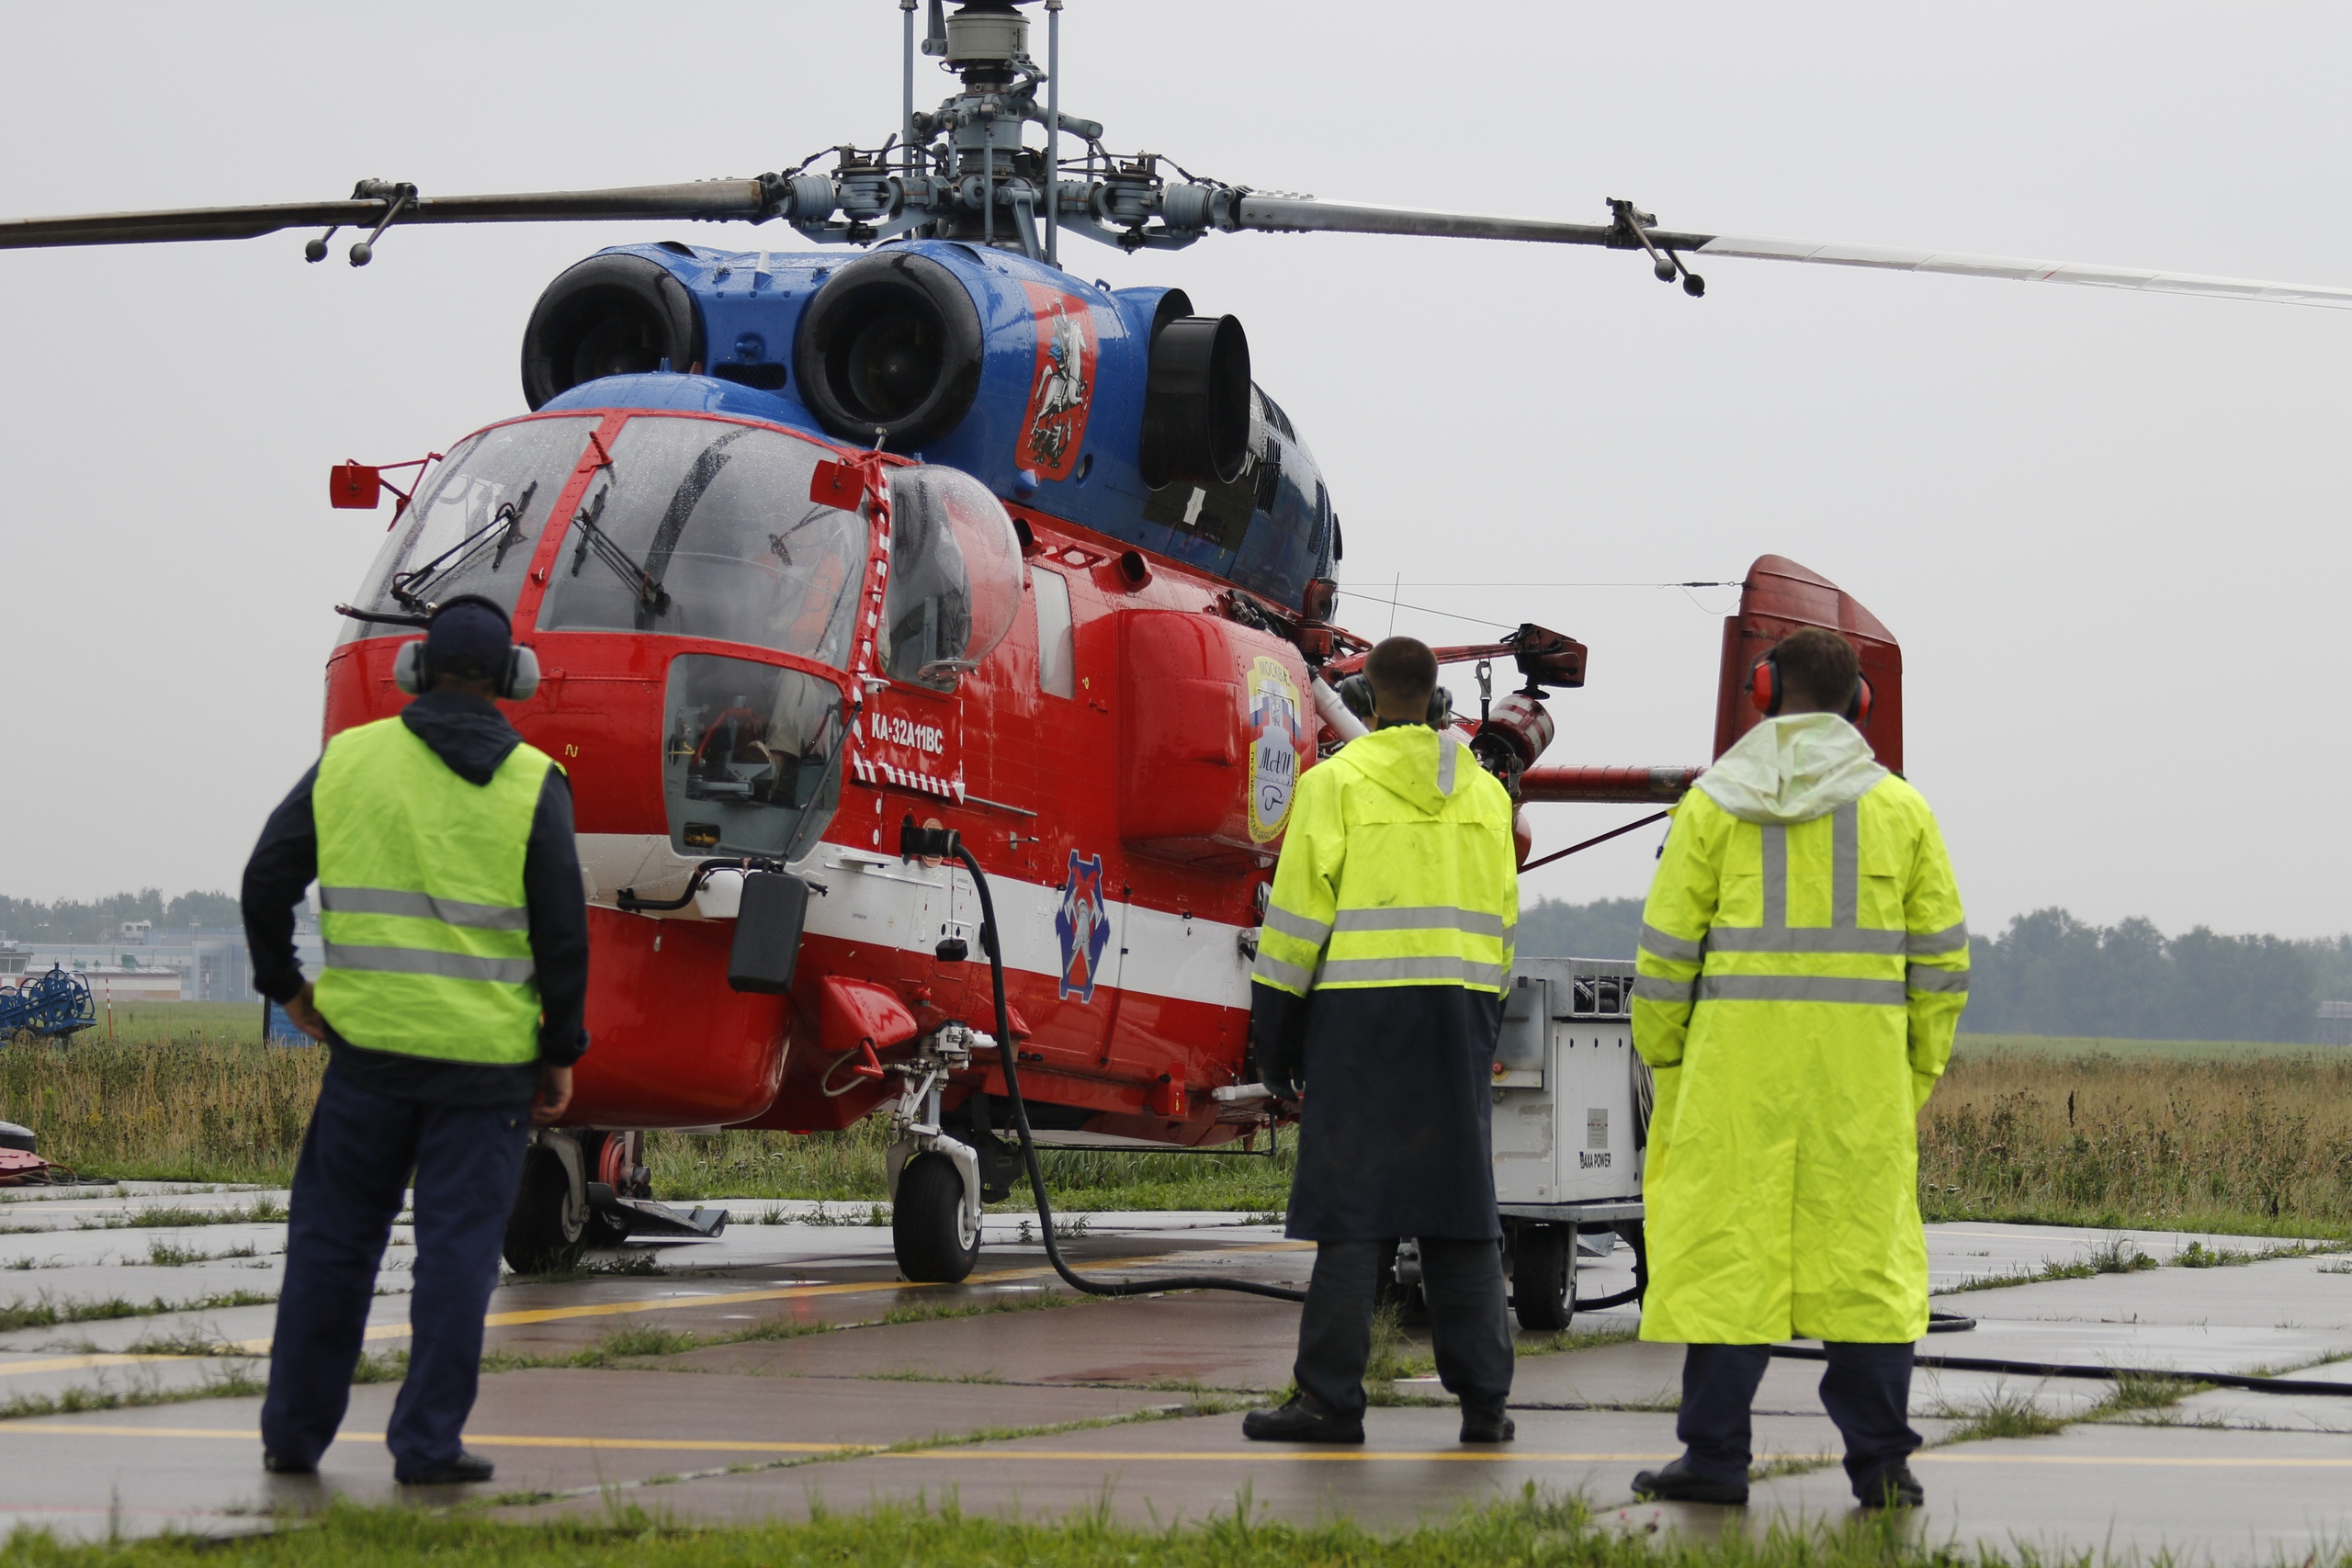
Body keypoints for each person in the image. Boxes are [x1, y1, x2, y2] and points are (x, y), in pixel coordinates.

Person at [241, 596, 590, 1486]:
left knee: (331, 1247)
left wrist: (287, 986)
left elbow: (265, 881)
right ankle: (427, 1446)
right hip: (485, 1078)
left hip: (368, 1065)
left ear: (413, 670)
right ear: (512, 679)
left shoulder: (348, 761)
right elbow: (562, 937)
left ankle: (294, 1436)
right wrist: (560, 1050)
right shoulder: (532, 783)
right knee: (457, 1260)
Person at [1628, 626, 1968, 1509]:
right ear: (1860, 703)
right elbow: (1940, 964)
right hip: (1859, 1085)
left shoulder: (1710, 806)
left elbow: (1665, 956)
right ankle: (1883, 1465)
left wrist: (1668, 1054)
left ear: (1766, 691)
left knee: (1726, 1259)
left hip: (1734, 1080)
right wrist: (1913, 1071)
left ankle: (1714, 1459)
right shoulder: (1902, 812)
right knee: (1867, 1268)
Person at [1242, 636, 1520, 1446]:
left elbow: (1293, 928)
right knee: (1462, 1213)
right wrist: (1479, 1028)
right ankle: (1485, 1407)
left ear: (1364, 699)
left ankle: (1330, 1399)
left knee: (1351, 1212)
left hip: (1360, 1020)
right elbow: (1504, 931)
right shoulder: (1487, 798)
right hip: (1459, 1017)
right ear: (1439, 702)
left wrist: (1275, 1040)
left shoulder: (1332, 787)